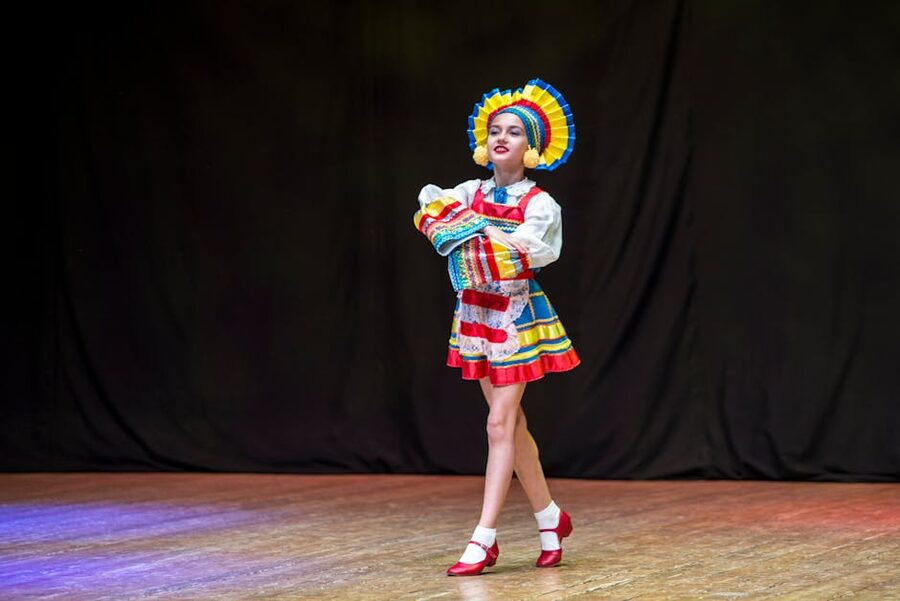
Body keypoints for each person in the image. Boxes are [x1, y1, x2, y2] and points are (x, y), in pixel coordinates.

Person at [413, 79, 580, 576]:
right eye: (495, 130)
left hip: (514, 318)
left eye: (515, 132)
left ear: (532, 147)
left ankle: (484, 538)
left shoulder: (540, 205)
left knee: (497, 425)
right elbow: (433, 213)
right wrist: (468, 228)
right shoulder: (466, 191)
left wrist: (472, 229)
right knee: (513, 425)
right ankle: (551, 518)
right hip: (474, 316)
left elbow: (518, 254)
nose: (502, 138)